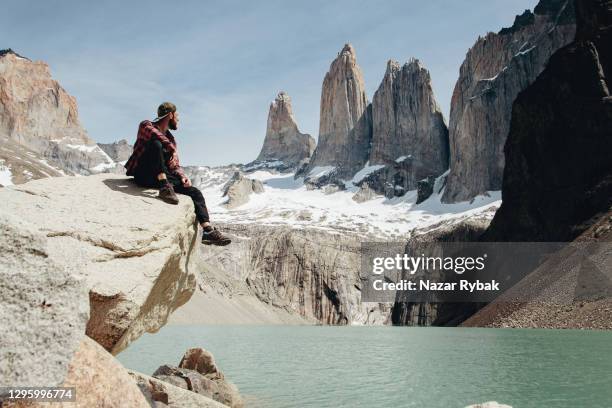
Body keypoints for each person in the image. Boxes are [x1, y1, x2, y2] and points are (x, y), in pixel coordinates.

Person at [125, 102, 231, 246]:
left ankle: (208, 231)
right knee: (156, 144)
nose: (178, 121)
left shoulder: (171, 139)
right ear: (170, 115)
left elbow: (174, 165)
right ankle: (164, 187)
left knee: (194, 192)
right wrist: (169, 146)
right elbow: (155, 136)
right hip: (143, 172)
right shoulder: (146, 125)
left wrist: (182, 176)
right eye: (177, 117)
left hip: (160, 175)